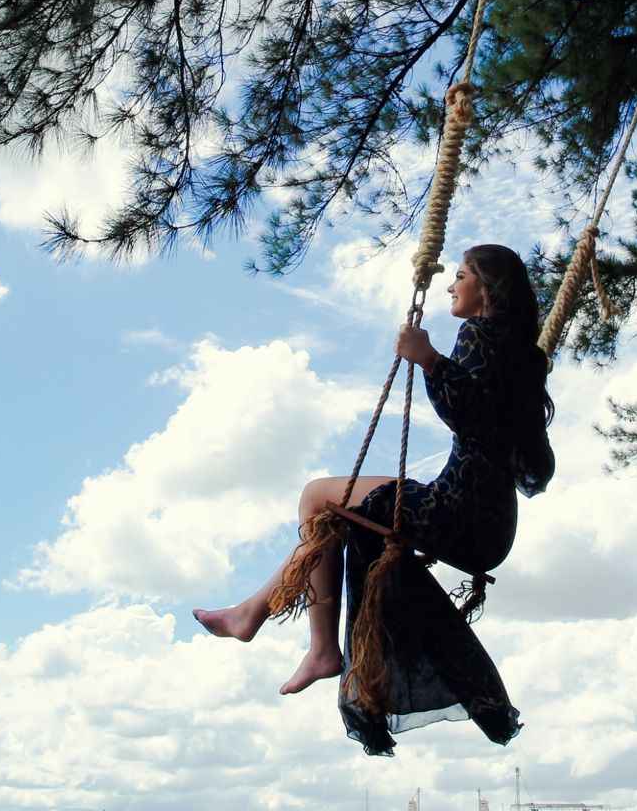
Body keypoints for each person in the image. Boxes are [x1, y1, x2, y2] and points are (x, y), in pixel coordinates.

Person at [193, 243, 555, 750]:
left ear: (487, 289)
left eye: (461, 275)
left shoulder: (479, 335)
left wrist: (428, 358)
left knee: (318, 498)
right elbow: (530, 458)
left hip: (458, 508)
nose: (452, 285)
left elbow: (470, 411)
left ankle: (314, 645)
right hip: (492, 525)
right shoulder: (526, 359)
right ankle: (255, 612)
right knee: (330, 506)